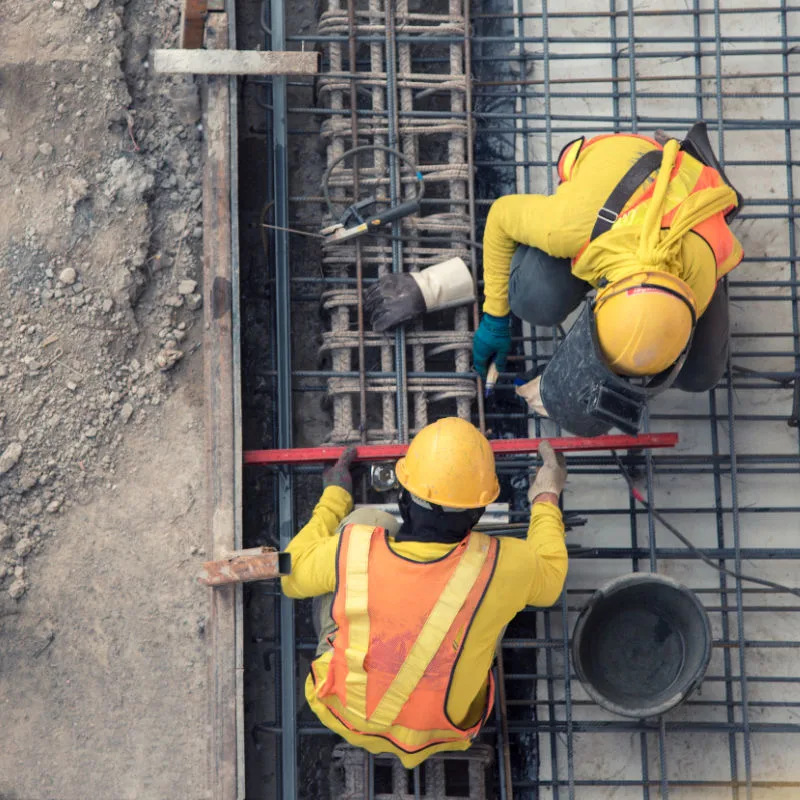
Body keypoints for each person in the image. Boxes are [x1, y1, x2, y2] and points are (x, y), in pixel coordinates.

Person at [281, 417, 568, 767]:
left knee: (367, 522)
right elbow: (552, 578)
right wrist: (546, 496)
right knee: (493, 598)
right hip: (444, 732)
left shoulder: (355, 549)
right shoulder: (502, 564)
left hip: (343, 712)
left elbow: (290, 575)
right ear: (478, 512)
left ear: (404, 498)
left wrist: (335, 495)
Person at [471, 123, 744, 435]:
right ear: (601, 297)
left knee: (700, 375)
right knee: (531, 298)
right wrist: (495, 314)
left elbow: (642, 340)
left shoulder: (703, 271)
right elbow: (500, 217)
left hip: (692, 207)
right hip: (619, 172)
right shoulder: (570, 225)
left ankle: (701, 166)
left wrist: (573, 386)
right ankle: (684, 155)